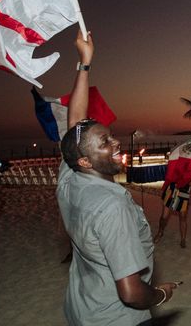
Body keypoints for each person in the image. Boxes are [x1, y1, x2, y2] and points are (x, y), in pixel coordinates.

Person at [56, 30, 178, 326]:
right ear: (85, 160)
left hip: (83, 309)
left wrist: (84, 64)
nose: (115, 144)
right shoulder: (112, 207)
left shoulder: (70, 177)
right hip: (117, 318)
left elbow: (75, 126)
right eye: (105, 143)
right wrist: (160, 295)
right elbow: (131, 293)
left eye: (110, 136)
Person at [153, 142, 191, 248]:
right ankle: (160, 232)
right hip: (171, 188)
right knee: (164, 216)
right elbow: (170, 173)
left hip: (183, 190)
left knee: (183, 216)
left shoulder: (190, 163)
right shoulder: (176, 161)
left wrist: (186, 178)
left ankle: (183, 239)